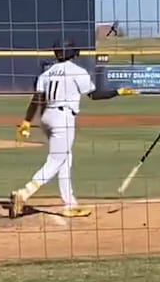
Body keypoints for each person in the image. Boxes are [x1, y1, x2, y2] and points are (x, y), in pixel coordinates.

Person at [9, 40, 138, 218]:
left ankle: (69, 204)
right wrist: (118, 92)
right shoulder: (77, 71)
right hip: (63, 118)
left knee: (65, 158)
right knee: (56, 160)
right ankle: (23, 193)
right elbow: (94, 94)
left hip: (46, 117)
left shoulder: (46, 73)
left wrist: (27, 121)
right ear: (74, 53)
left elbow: (37, 99)